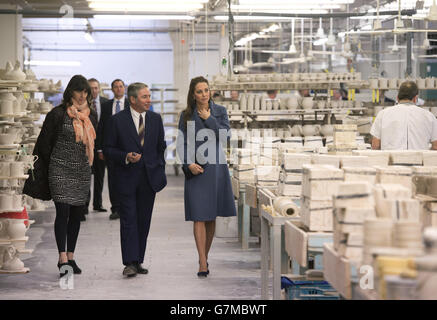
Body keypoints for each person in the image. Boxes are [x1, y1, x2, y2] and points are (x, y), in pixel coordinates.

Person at [23, 75, 98, 277]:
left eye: (85, 92)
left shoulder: (91, 115)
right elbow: (44, 144)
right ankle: (62, 257)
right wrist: (49, 168)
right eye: (78, 91)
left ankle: (71, 257)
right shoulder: (57, 114)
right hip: (59, 169)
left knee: (76, 214)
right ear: (70, 91)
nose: (82, 96)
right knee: (63, 212)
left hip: (81, 170)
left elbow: (92, 143)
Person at [103, 82, 167, 278]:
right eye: (145, 97)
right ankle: (129, 263)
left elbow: (160, 147)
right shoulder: (117, 121)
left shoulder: (156, 119)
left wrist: (159, 167)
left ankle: (138, 260)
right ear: (133, 99)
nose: (149, 100)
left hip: (149, 179)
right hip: (126, 178)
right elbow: (107, 149)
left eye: (149, 96)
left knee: (143, 221)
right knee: (129, 220)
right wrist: (125, 156)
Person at [177, 76, 236, 278]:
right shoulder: (186, 115)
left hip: (216, 167)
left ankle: (204, 256)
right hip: (196, 169)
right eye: (200, 91)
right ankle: (202, 262)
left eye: (206, 90)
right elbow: (182, 144)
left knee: (210, 217)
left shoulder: (219, 112)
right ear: (193, 94)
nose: (204, 94)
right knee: (198, 216)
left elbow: (225, 137)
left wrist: (209, 119)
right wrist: (188, 164)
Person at [97, 79, 130, 220]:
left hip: (128, 148)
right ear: (112, 90)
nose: (118, 89)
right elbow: (101, 128)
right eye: (115, 87)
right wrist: (100, 149)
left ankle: (127, 207)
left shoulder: (131, 104)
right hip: (111, 148)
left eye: (121, 86)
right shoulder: (106, 106)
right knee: (113, 179)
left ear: (125, 88)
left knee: (128, 178)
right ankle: (115, 208)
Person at [370, 80, 437, 150]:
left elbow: (375, 145)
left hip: (391, 159)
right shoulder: (429, 116)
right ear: (415, 98)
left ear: (397, 98)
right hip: (419, 160)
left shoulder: (383, 114)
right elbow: (436, 146)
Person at [88, 78, 108, 214]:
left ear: (99, 89)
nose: (94, 90)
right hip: (87, 145)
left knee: (100, 176)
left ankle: (97, 204)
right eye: (91, 88)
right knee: (86, 176)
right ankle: (83, 206)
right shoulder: (83, 104)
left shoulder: (105, 103)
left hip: (101, 146)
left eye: (96, 88)